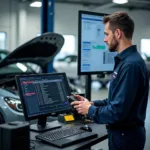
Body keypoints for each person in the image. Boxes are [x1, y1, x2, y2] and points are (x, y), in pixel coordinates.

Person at [71, 11, 149, 150]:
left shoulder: (130, 65)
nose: (105, 39)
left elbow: (117, 111)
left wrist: (89, 110)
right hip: (124, 135)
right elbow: (116, 100)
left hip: (126, 138)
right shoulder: (127, 61)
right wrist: (91, 103)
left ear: (118, 33)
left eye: (107, 34)